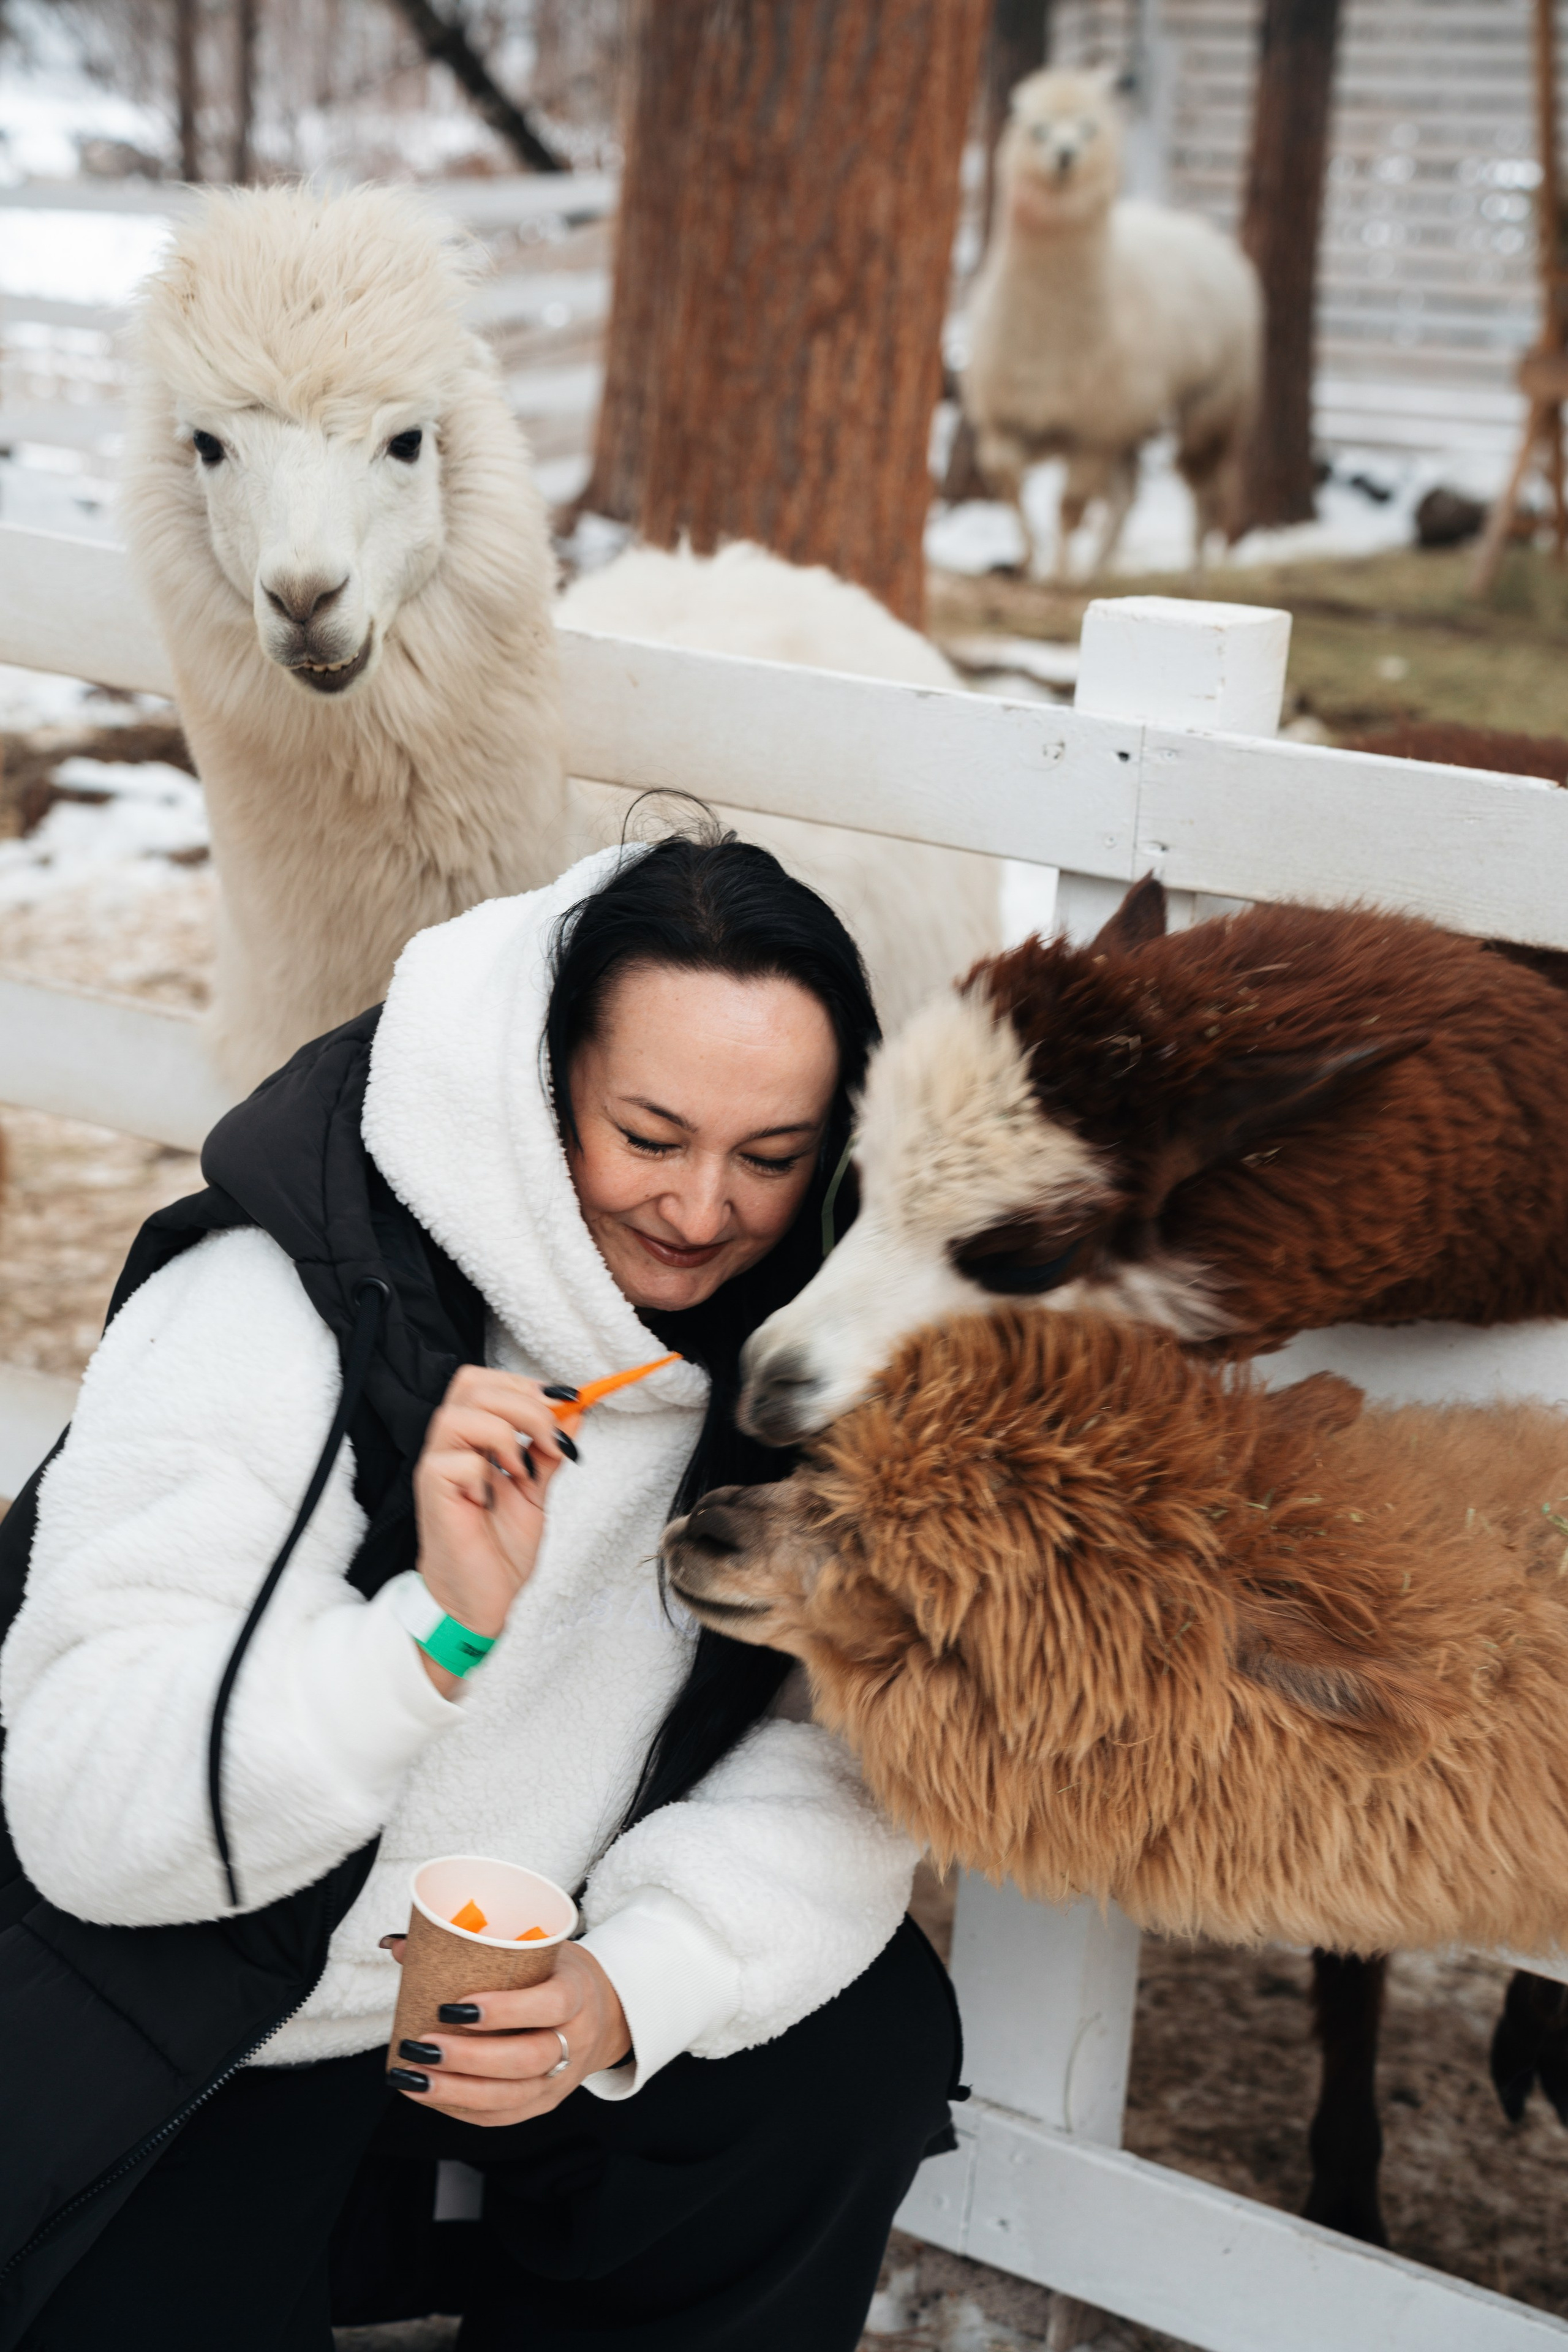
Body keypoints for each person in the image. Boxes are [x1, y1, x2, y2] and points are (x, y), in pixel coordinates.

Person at [0, 834, 961, 2352]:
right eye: (647, 1135)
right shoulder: (278, 1306)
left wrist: (626, 1987)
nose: (700, 1209)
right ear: (538, 1083)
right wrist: (430, 1637)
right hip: (213, 2015)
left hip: (526, 1998)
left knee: (855, 2049)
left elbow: (842, 1749)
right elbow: (92, 1823)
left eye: (770, 1158)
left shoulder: (800, 1351)